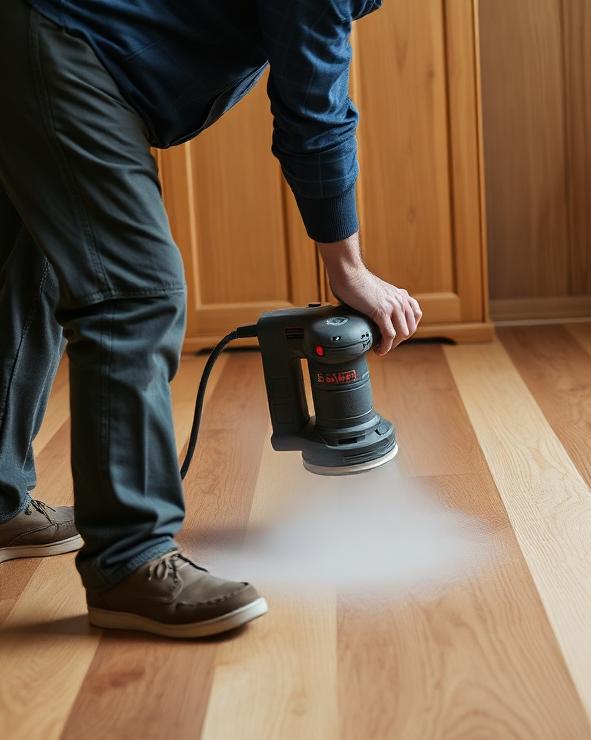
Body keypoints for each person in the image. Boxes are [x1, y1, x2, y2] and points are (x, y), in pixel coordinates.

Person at [0, 0, 422, 638]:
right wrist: (349, 266)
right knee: (136, 292)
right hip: (58, 40)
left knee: (26, 268)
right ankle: (128, 560)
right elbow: (313, 108)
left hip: (36, 33)